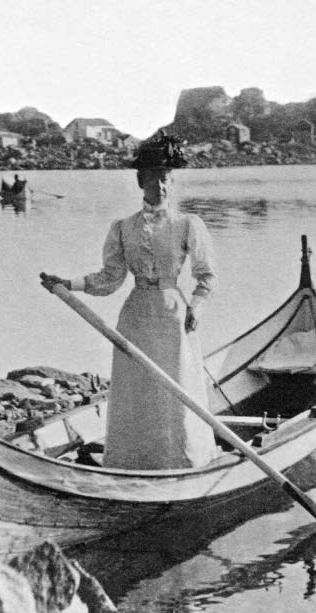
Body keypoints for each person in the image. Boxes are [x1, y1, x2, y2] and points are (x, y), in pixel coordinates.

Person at [40, 131, 217, 469]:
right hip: (135, 317)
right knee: (136, 390)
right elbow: (110, 279)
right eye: (153, 179)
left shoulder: (187, 225)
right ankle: (133, 461)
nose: (160, 186)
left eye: (166, 179)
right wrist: (68, 284)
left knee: (175, 388)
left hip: (172, 316)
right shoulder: (123, 228)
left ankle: (181, 460)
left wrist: (196, 305)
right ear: (140, 181)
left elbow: (207, 274)